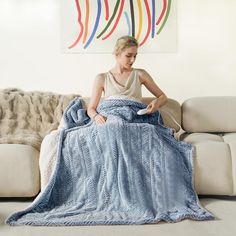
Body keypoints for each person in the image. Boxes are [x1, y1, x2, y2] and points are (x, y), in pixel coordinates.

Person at [87, 35, 168, 124]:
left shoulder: (141, 74)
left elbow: (163, 97)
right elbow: (91, 109)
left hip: (134, 119)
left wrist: (157, 102)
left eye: (135, 56)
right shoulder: (102, 78)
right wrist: (96, 116)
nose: (132, 60)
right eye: (128, 56)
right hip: (110, 119)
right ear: (117, 54)